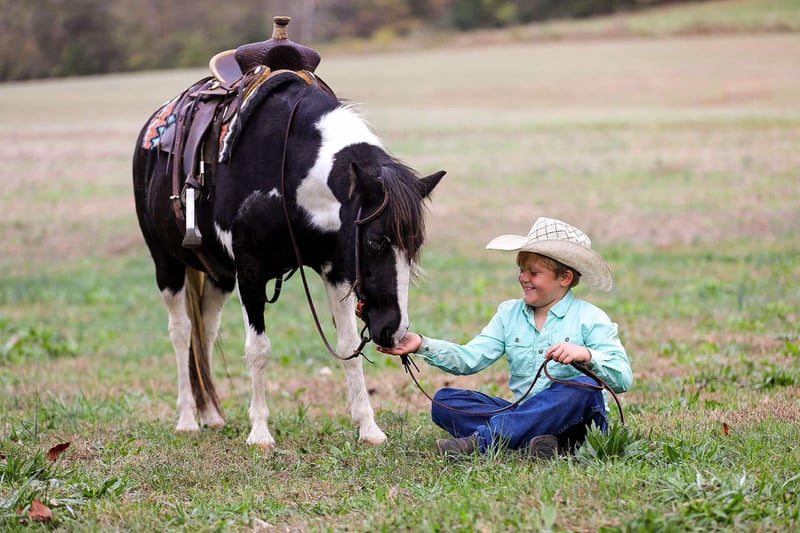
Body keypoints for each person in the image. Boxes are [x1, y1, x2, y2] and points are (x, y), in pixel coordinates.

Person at [377, 216, 632, 458]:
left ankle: (484, 441)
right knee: (445, 401)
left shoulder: (591, 317)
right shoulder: (508, 313)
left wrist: (586, 355)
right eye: (521, 270)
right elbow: (471, 358)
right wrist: (422, 344)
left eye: (533, 272)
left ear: (564, 277)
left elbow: (622, 377)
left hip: (577, 421)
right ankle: (541, 441)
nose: (523, 278)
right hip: (523, 411)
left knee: (582, 389)